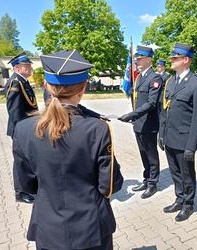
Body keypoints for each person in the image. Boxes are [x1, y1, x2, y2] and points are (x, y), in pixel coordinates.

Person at [12, 50, 123, 250]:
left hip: (48, 228)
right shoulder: (98, 128)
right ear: (83, 89)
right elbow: (110, 186)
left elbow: (26, 186)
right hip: (92, 229)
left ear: (46, 85)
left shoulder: (23, 129)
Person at [159, 42, 197, 222]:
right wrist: (162, 134)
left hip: (184, 139)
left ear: (186, 60)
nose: (171, 60)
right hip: (170, 137)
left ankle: (188, 204)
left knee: (187, 174)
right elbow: (165, 110)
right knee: (175, 172)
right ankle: (179, 199)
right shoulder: (170, 82)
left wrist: (191, 145)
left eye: (175, 57)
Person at [118, 45, 163, 199]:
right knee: (143, 153)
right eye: (136, 58)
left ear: (149, 59)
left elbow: (151, 103)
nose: (136, 60)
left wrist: (131, 114)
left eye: (140, 58)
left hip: (148, 124)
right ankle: (146, 178)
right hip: (138, 123)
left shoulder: (154, 78)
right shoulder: (138, 77)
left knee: (151, 155)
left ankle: (153, 184)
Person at [5, 52, 38, 204]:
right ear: (17, 68)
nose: (30, 68)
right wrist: (21, 131)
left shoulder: (22, 81)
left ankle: (30, 187)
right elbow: (14, 111)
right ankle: (21, 192)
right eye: (27, 66)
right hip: (20, 129)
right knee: (21, 162)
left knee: (28, 160)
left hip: (26, 128)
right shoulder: (16, 83)